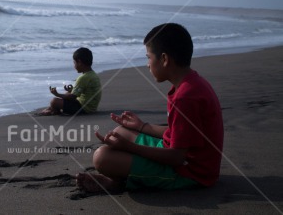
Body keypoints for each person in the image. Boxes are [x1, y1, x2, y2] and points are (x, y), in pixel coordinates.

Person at [76, 23, 224, 193]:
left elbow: (177, 157)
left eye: (148, 57)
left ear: (164, 59)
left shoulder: (185, 97)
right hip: (186, 158)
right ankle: (122, 176)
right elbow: (180, 133)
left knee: (101, 157)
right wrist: (140, 126)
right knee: (121, 131)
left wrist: (130, 148)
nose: (147, 64)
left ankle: (117, 183)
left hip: (190, 172)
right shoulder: (191, 84)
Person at [39, 47, 102, 116]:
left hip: (84, 108)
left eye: (74, 63)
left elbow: (72, 97)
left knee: (54, 101)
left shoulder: (83, 78)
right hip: (91, 107)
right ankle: (52, 108)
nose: (74, 65)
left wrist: (57, 94)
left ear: (79, 62)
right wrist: (71, 90)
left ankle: (54, 110)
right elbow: (84, 92)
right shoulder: (93, 74)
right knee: (67, 93)